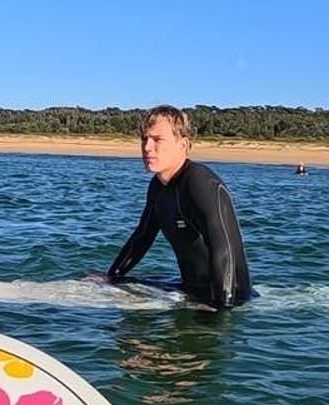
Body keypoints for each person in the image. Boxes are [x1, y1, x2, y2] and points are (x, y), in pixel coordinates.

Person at [106, 105, 253, 309]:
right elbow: (142, 237)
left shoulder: (200, 183)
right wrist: (112, 277)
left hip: (228, 297)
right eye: (144, 139)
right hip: (190, 290)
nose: (147, 147)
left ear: (183, 144)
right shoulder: (158, 186)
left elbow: (224, 251)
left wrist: (222, 308)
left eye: (157, 140)